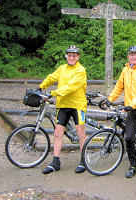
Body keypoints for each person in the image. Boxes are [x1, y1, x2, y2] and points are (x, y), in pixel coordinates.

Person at [105, 45, 136, 180]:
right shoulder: (125, 70)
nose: (133, 57)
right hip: (132, 110)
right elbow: (118, 87)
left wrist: (131, 105)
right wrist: (109, 99)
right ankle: (133, 166)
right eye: (131, 55)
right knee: (128, 137)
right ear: (128, 56)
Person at [39, 45, 87, 174]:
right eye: (69, 55)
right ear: (67, 56)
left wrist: (52, 93)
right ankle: (56, 162)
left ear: (78, 57)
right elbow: (51, 77)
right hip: (63, 105)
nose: (71, 57)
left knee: (80, 132)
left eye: (74, 55)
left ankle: (83, 161)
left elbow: (71, 87)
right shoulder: (62, 68)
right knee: (57, 133)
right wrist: (41, 87)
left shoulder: (81, 70)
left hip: (77, 105)